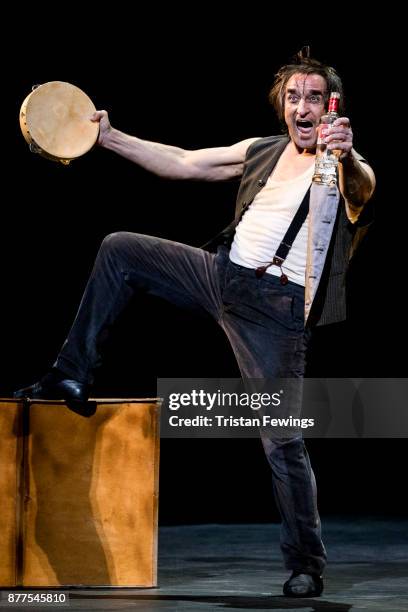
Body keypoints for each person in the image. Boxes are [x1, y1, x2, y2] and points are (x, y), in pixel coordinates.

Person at [14, 50, 375, 598]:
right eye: (293, 97)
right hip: (220, 274)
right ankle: (71, 373)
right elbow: (182, 163)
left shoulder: (340, 167)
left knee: (282, 442)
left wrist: (345, 157)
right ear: (283, 106)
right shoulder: (262, 151)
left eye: (313, 98)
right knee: (120, 250)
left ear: (330, 107)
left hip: (275, 310)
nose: (303, 107)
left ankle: (307, 563)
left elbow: (362, 187)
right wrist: (109, 138)